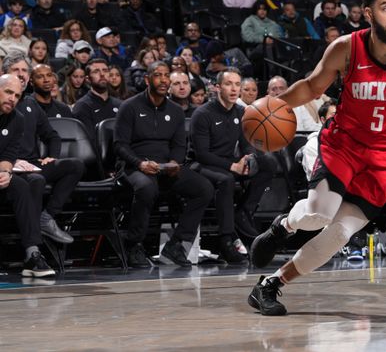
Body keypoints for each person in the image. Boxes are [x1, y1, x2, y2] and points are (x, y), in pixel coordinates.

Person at [247, 0, 386, 316]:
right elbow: (313, 87)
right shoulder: (346, 48)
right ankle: (283, 227)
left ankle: (271, 284)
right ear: (368, 14)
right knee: (319, 214)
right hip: (344, 146)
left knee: (340, 233)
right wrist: (272, 106)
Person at [114, 61, 214, 268]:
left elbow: (179, 146)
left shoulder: (176, 111)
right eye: (158, 75)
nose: (163, 80)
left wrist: (174, 163)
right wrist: (140, 163)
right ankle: (134, 245)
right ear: (147, 79)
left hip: (164, 167)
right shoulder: (129, 107)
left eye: (166, 75)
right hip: (134, 166)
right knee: (147, 187)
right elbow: (120, 146)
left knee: (203, 188)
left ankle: (176, 246)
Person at [189, 68, 273, 261]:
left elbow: (247, 145)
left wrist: (248, 158)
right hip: (200, 165)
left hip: (227, 163)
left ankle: (243, 211)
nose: (234, 89)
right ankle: (227, 238)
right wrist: (232, 166)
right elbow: (202, 154)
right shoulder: (202, 114)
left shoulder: (242, 111)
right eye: (229, 84)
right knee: (226, 179)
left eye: (237, 84)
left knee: (267, 163)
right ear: (217, 87)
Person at [3, 54, 85, 245]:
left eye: (25, 70)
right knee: (37, 180)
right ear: (5, 74)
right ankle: (34, 244)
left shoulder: (31, 103)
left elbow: (52, 136)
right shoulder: (5, 105)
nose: (22, 75)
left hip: (31, 164)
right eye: (16, 70)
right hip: (10, 166)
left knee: (75, 166)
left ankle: (46, 217)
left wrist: (51, 157)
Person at [0, 73, 55, 277]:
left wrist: (5, 172)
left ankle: (32, 254)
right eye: (7, 92)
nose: (12, 98)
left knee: (22, 184)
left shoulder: (18, 119)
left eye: (16, 95)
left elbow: (9, 155)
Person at [72, 59, 121, 149]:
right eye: (96, 71)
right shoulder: (82, 106)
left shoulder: (120, 104)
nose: (102, 74)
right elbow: (89, 142)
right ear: (87, 79)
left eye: (105, 70)